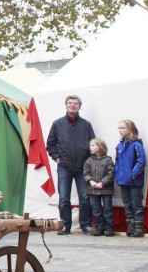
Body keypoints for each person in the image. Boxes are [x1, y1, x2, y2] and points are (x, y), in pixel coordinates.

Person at [47, 95, 96, 235]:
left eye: (75, 103)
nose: (73, 105)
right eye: (70, 103)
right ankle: (65, 225)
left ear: (79, 106)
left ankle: (85, 225)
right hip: (64, 166)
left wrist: (89, 162)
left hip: (82, 167)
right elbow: (50, 144)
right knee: (63, 198)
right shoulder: (57, 124)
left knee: (85, 197)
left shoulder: (86, 125)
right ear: (66, 105)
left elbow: (93, 143)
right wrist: (56, 157)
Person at [115, 120, 147, 237]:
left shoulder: (136, 144)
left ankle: (139, 228)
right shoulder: (119, 146)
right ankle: (130, 226)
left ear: (130, 129)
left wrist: (134, 174)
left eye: (123, 128)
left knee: (136, 204)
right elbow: (117, 162)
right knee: (127, 205)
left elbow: (141, 161)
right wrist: (117, 174)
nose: (120, 130)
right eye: (119, 128)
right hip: (123, 181)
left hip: (134, 181)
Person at [83, 138, 115, 236]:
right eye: (90, 146)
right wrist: (91, 181)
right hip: (93, 189)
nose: (90, 147)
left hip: (106, 190)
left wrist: (102, 183)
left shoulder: (108, 160)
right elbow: (86, 173)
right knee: (96, 210)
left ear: (100, 147)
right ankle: (99, 227)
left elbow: (111, 173)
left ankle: (109, 228)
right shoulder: (89, 160)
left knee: (107, 209)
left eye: (93, 145)